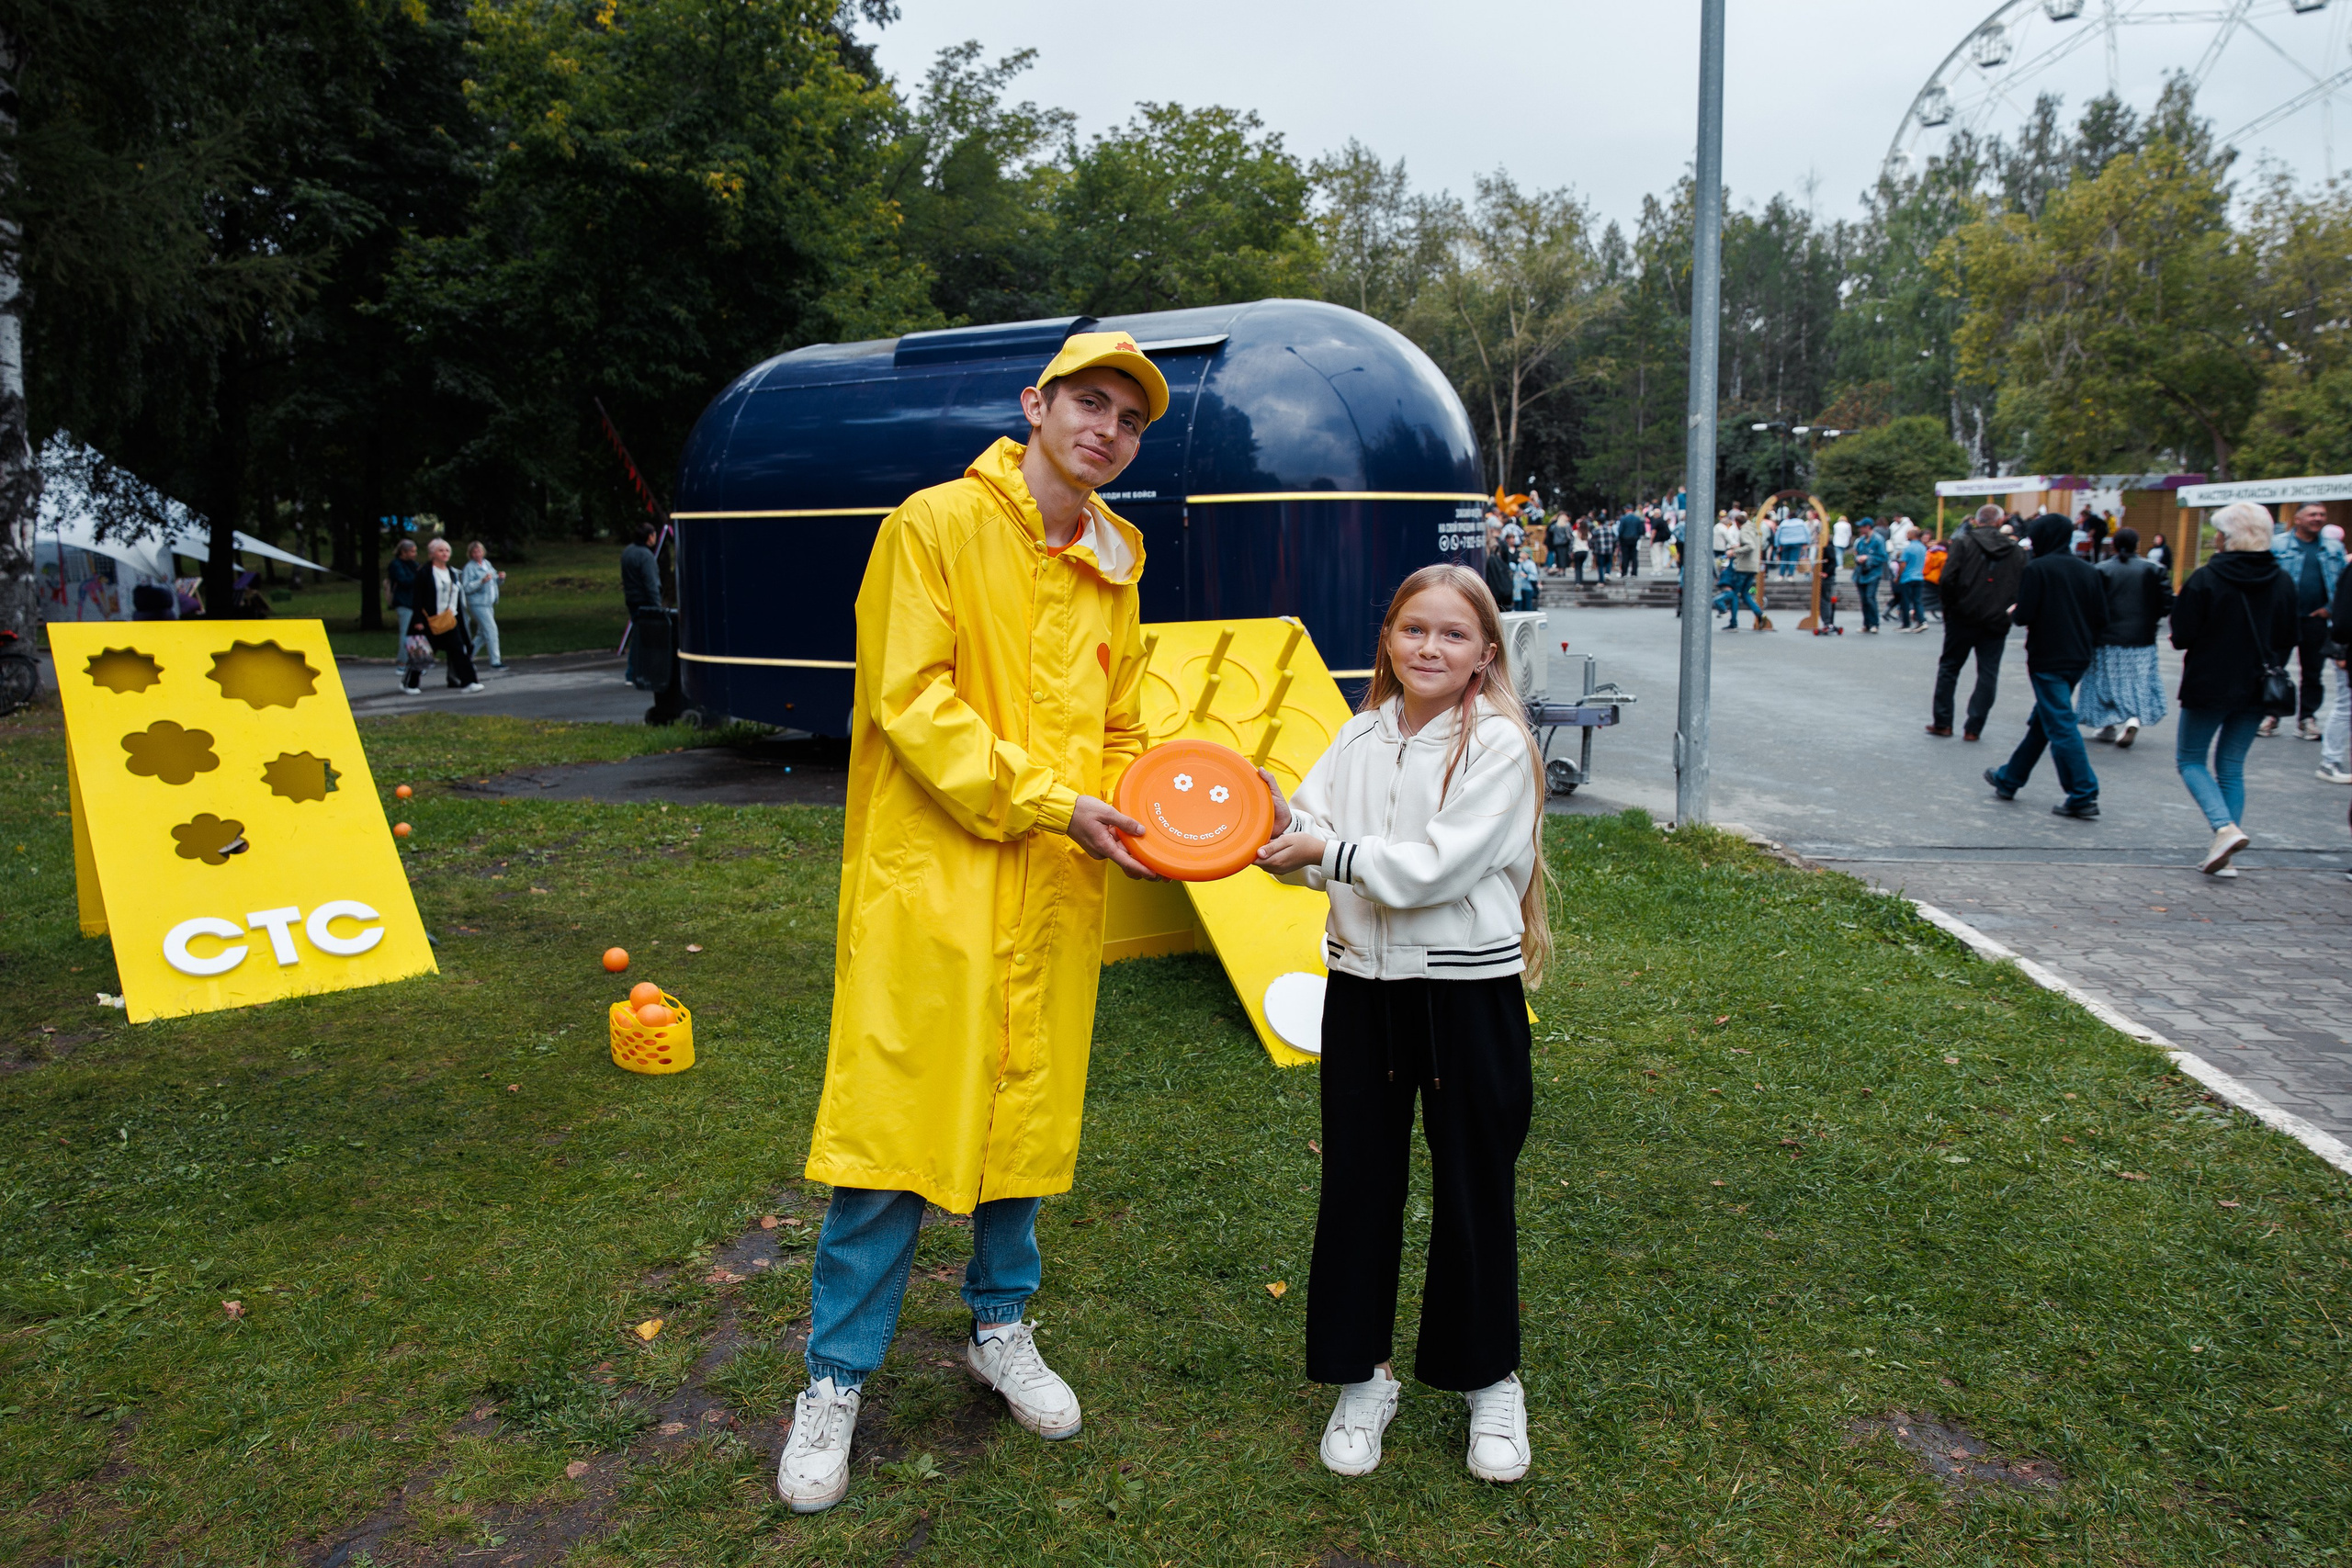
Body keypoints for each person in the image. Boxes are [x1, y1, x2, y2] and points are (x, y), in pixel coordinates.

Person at [773, 333, 1169, 1515]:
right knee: (894, 1129)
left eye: (1129, 420)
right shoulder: (934, 524)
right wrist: (1054, 800)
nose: (1105, 429)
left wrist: (1158, 807)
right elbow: (911, 703)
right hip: (935, 878)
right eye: (1087, 404)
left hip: (1053, 885)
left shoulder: (1115, 562)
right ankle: (834, 1379)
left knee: (1024, 1115)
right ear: (1034, 405)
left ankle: (1001, 1326)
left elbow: (1124, 718)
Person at [1253, 562, 1546, 1486]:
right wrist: (1265, 826)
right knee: (1359, 1185)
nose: (1429, 647)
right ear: (1387, 639)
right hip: (1365, 990)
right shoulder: (1355, 736)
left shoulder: (1497, 744)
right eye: (1412, 629)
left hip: (1469, 994)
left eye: (1452, 635)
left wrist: (1325, 849)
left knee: (1472, 1187)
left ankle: (1487, 1378)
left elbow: (1434, 869)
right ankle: (1362, 1377)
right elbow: (1307, 841)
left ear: (1483, 654)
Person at [2172, 502, 2301, 874]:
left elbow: (2182, 636)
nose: (2215, 539)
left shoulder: (2206, 578)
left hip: (2209, 682)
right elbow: (2288, 636)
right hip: (2259, 686)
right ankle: (2223, 854)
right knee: (2231, 765)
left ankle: (2223, 829)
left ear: (2229, 538)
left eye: (2220, 533)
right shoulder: (2282, 580)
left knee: (2191, 759)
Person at [1983, 514, 2105, 818]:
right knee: (2046, 720)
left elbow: (2024, 615)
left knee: (2060, 723)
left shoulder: (2038, 568)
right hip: (2079, 655)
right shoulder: (2088, 570)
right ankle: (2009, 778)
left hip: (2048, 655)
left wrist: (2015, 610)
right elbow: (2102, 617)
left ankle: (2082, 792)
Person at [1928, 504, 2025, 739]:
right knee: (1988, 673)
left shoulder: (1963, 543)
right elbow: (2021, 584)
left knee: (1950, 667)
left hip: (1962, 615)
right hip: (1997, 618)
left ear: (1977, 520)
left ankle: (1943, 722)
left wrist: (1950, 609)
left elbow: (1948, 578)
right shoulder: (2015, 550)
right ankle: (1974, 727)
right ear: (2000, 522)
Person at [2081, 526, 2173, 747]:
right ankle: (2132, 718)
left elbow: (2091, 604)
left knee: (2104, 682)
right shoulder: (2154, 569)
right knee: (2138, 681)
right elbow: (2166, 603)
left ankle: (2108, 725)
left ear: (2113, 545)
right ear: (2137, 545)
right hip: (2142, 637)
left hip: (2106, 637)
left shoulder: (2100, 570)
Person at [2263, 502, 2346, 739]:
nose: (2318, 518)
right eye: (2312, 514)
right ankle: (2271, 714)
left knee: (2313, 672)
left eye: (2322, 514)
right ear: (2298, 519)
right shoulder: (2278, 545)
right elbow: (2266, 580)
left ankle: (2307, 718)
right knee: (2275, 669)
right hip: (2283, 620)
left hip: (2316, 621)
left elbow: (2342, 584)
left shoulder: (2333, 547)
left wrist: (2330, 610)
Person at [401, 538, 486, 696]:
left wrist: (460, 619)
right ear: (432, 553)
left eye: (447, 550)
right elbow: (418, 597)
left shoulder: (452, 573)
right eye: (441, 550)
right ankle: (410, 684)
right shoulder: (424, 572)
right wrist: (418, 619)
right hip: (430, 620)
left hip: (449, 620)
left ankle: (469, 682)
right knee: (422, 653)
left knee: (459, 650)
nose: (445, 553)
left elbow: (456, 597)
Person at [620, 522, 663, 690]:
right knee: (645, 639)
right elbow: (651, 583)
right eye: (653, 534)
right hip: (645, 601)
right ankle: (636, 672)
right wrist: (657, 605)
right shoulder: (645, 556)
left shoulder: (628, 552)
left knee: (637, 634)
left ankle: (634, 672)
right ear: (649, 536)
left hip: (632, 598)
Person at [461, 541, 507, 671]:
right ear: (470, 554)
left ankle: (466, 657)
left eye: (479, 551)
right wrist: (481, 581)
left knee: (482, 634)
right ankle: (495, 661)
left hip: (488, 603)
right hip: (478, 603)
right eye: (474, 552)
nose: (477, 554)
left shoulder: (487, 564)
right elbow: (466, 587)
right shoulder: (469, 568)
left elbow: (495, 580)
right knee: (491, 630)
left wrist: (500, 578)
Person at [1719, 513, 1764, 630]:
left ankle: (1733, 621)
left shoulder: (1744, 530)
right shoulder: (1753, 529)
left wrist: (1735, 551)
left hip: (1744, 567)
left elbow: (1750, 546)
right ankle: (1759, 613)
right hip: (1753, 566)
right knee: (1745, 593)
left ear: (1738, 523)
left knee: (1735, 594)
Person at [386, 538, 421, 664]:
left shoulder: (414, 564)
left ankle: (415, 658)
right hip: (403, 602)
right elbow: (404, 581)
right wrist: (417, 575)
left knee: (416, 632)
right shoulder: (396, 565)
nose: (414, 554)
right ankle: (403, 660)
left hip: (414, 602)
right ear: (403, 552)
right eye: (412, 551)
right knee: (405, 631)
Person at [1850, 518, 1887, 633]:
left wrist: (1868, 558)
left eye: (1862, 526)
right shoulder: (1861, 540)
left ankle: (1874, 624)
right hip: (1861, 574)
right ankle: (1866, 623)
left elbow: (1883, 557)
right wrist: (1858, 558)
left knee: (1870, 598)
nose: (1860, 529)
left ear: (1868, 527)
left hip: (1873, 574)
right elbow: (1856, 554)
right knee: (1864, 600)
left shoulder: (1878, 540)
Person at [1893, 524, 1929, 631]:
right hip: (1919, 576)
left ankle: (1906, 624)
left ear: (1912, 535)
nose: (1906, 535)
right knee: (1917, 601)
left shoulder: (1908, 548)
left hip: (1908, 577)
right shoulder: (1922, 547)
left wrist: (1898, 576)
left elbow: (1903, 564)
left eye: (1908, 533)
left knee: (1905, 601)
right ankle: (1921, 621)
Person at [1615, 508, 1645, 580]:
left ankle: (1624, 572)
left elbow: (1620, 530)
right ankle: (1634, 573)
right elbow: (1641, 530)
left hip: (1625, 539)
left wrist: (1620, 539)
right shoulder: (1637, 519)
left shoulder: (1623, 518)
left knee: (1625, 557)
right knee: (1634, 557)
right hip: (1634, 539)